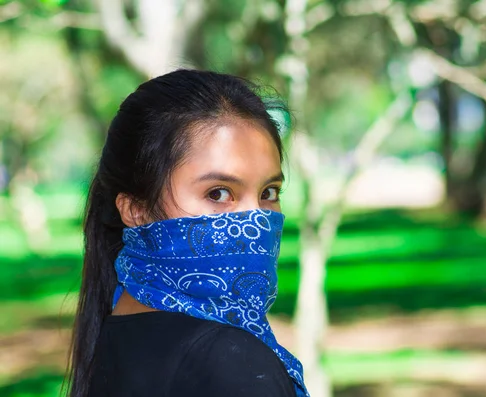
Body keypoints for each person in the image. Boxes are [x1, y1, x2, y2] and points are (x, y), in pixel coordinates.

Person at [67, 70, 309, 397]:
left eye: (268, 193)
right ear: (135, 210)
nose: (256, 221)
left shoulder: (118, 326)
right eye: (219, 193)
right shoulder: (231, 364)